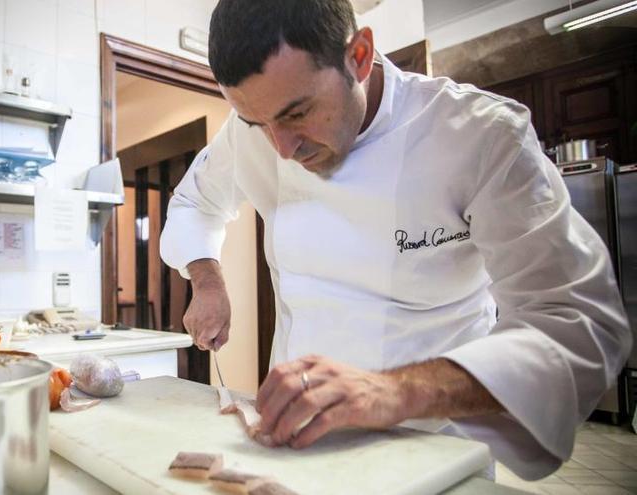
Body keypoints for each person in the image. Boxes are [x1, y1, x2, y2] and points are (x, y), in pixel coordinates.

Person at [158, 0, 633, 481]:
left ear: (359, 56)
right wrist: (207, 278)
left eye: (298, 113)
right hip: (295, 445)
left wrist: (390, 392)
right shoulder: (252, 134)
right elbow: (195, 200)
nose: (282, 148)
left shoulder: (479, 135)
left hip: (434, 452)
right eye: (259, 125)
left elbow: (581, 326)